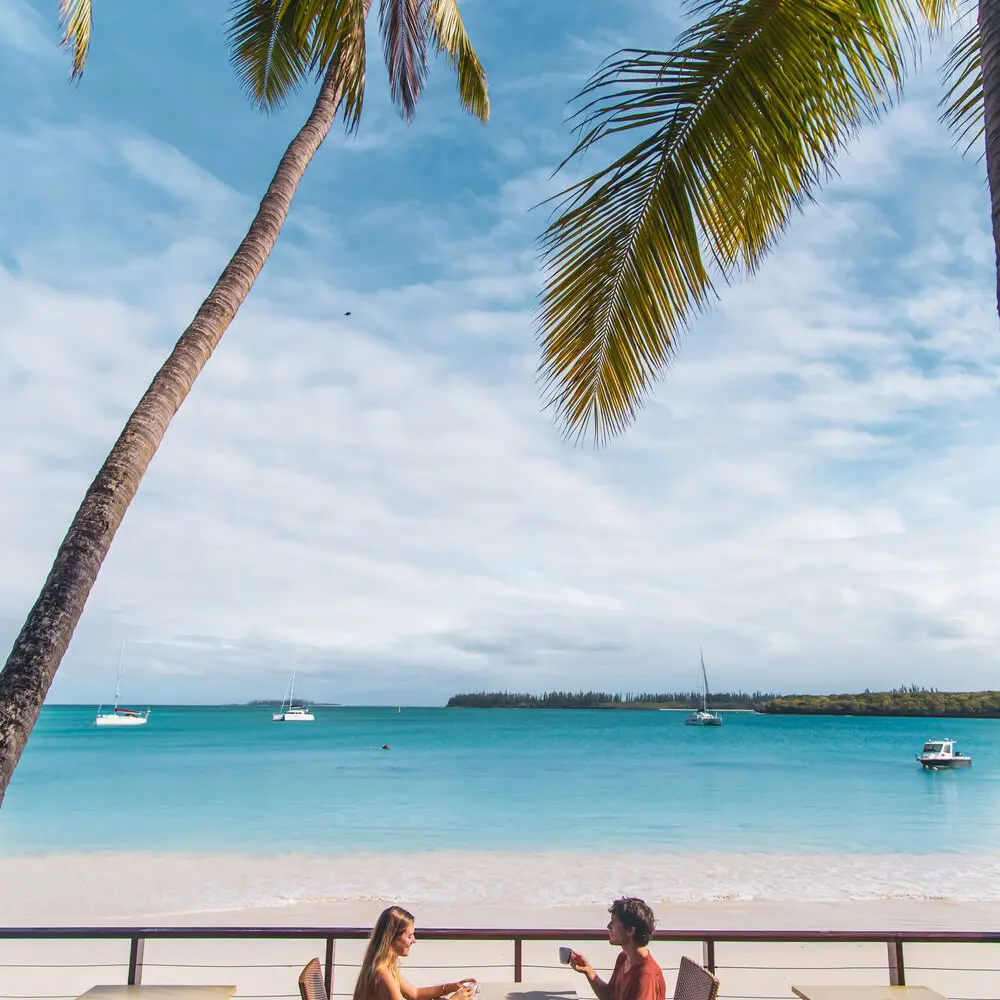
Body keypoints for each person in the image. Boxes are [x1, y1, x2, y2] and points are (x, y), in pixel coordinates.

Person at [353, 905, 478, 1000]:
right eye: (409, 936)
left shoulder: (387, 966)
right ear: (392, 938)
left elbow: (415, 993)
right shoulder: (382, 973)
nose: (414, 940)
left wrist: (451, 987)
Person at [569, 897, 666, 1000]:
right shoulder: (623, 958)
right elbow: (610, 996)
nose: (608, 926)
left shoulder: (646, 976)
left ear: (630, 930)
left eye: (613, 922)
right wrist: (588, 971)